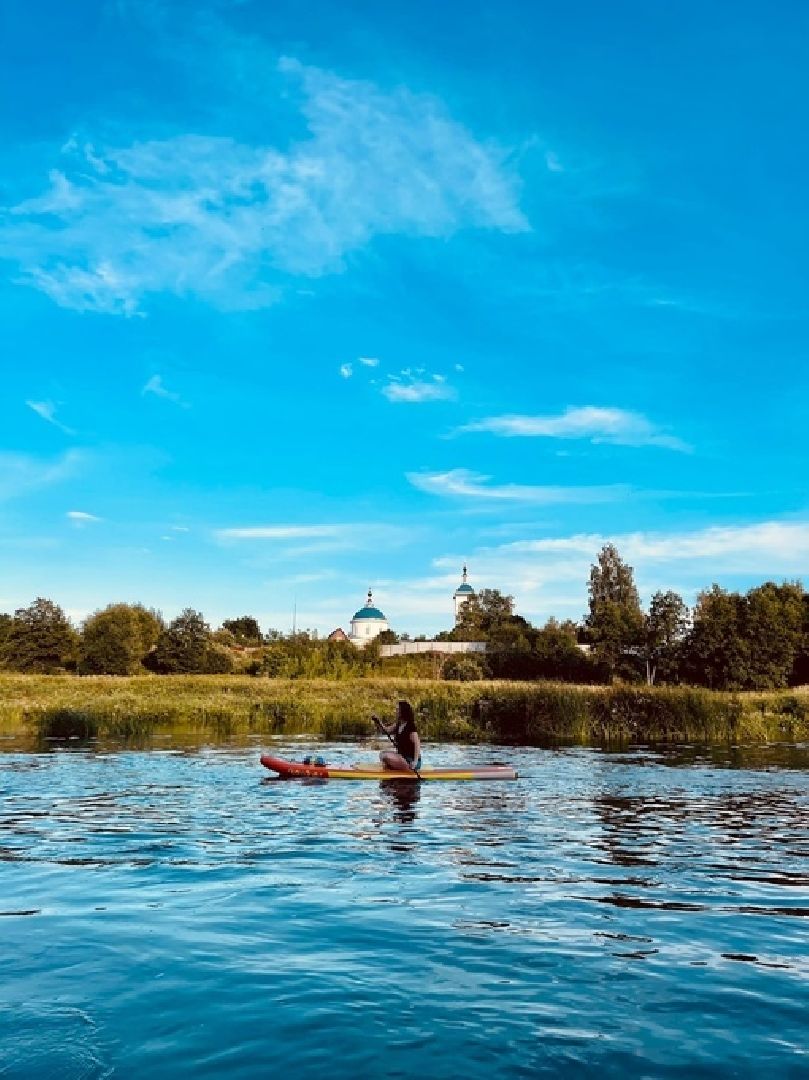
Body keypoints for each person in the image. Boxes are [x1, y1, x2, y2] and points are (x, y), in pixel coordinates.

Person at [373, 700, 422, 773]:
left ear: (403, 711)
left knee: (386, 756)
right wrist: (378, 722)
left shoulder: (410, 727)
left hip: (411, 762)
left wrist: (415, 762)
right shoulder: (398, 725)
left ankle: (398, 767)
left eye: (397, 709)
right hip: (402, 758)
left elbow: (417, 745)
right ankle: (392, 767)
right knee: (382, 754)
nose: (396, 711)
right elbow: (385, 731)